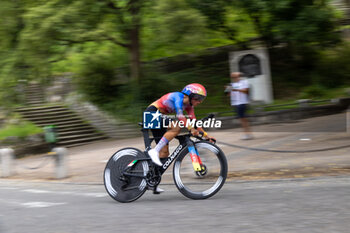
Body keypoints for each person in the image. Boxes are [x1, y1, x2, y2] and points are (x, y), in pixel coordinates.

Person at [145, 83, 215, 167]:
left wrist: (206, 136)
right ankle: (154, 151)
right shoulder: (178, 97)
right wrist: (191, 128)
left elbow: (195, 123)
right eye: (198, 98)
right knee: (176, 127)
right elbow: (180, 116)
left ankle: (151, 173)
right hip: (151, 114)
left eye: (202, 99)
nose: (200, 101)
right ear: (191, 95)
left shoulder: (189, 106)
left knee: (164, 153)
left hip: (160, 117)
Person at [225, 72, 253, 140]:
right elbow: (228, 94)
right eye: (233, 77)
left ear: (239, 76)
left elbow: (246, 91)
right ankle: (247, 133)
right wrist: (227, 90)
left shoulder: (244, 82)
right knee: (242, 119)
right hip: (235, 103)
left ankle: (247, 134)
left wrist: (235, 89)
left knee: (243, 119)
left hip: (242, 102)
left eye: (236, 76)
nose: (235, 78)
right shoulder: (231, 84)